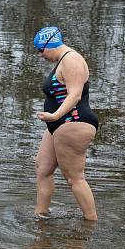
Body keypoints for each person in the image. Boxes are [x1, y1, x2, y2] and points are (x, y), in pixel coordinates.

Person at [33, 27, 99, 221]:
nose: (40, 55)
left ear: (49, 44)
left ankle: (91, 221)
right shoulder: (62, 61)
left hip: (74, 123)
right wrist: (53, 121)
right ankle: (40, 216)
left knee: (74, 178)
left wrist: (54, 116)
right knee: (42, 168)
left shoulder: (72, 59)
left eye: (41, 50)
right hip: (59, 125)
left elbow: (75, 94)